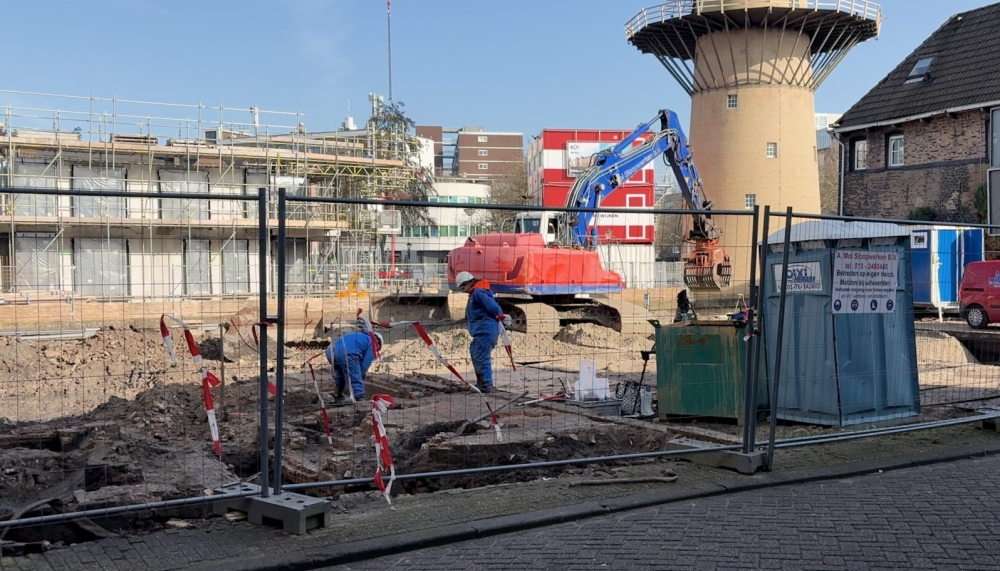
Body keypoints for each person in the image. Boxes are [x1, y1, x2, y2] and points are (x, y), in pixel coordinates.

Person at [455, 271, 511, 394]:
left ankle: (486, 385)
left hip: (486, 331)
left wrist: (500, 316)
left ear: (469, 283)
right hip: (481, 331)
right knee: (476, 353)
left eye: (463, 287)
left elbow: (492, 306)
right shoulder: (475, 292)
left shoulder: (479, 292)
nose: (462, 290)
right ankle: (482, 383)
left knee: (481, 357)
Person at [325, 331, 383, 402]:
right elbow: (365, 363)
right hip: (347, 354)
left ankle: (339, 395)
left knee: (340, 374)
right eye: (378, 349)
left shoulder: (359, 336)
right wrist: (361, 374)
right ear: (378, 341)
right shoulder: (372, 343)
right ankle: (359, 398)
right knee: (355, 375)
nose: (376, 350)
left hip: (330, 352)